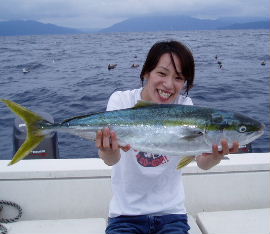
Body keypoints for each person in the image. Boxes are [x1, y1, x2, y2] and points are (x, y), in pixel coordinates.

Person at [96, 40, 239, 234]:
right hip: (125, 215)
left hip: (171, 215)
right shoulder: (121, 100)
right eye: (162, 73)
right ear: (146, 72)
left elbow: (202, 163)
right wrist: (107, 150)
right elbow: (111, 160)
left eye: (179, 78)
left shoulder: (185, 106)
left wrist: (214, 156)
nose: (169, 84)